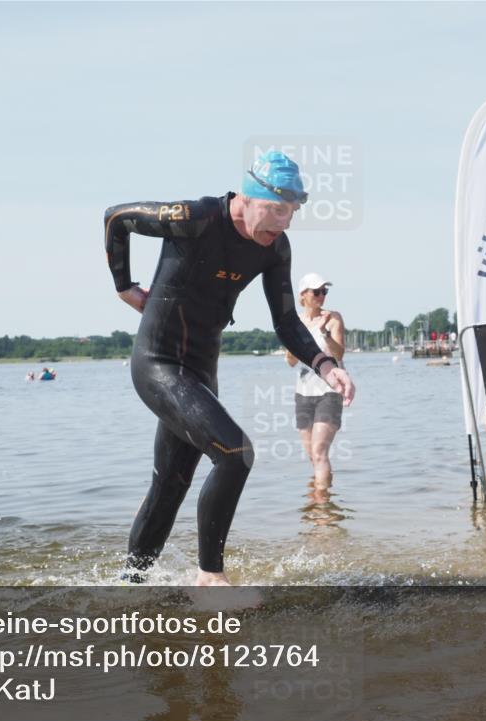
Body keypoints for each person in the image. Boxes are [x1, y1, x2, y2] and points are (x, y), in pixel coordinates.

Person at [104, 150, 355, 586]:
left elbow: (286, 322)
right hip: (159, 364)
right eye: (276, 210)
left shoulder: (274, 248)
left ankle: (130, 585)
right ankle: (210, 577)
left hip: (200, 374)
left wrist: (324, 364)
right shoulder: (195, 218)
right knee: (235, 455)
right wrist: (124, 286)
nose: (284, 224)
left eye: (292, 213)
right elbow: (116, 218)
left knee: (170, 486)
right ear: (248, 197)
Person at [284, 273, 346, 491]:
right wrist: (293, 344)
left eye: (324, 292)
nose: (321, 296)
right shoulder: (295, 323)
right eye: (316, 292)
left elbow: (339, 353)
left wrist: (324, 332)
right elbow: (291, 361)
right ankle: (321, 496)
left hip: (329, 392)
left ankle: (321, 505)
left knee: (319, 452)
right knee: (313, 455)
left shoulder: (333, 318)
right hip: (303, 393)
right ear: (303, 295)